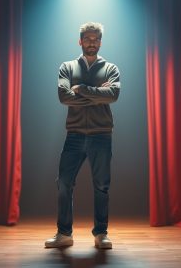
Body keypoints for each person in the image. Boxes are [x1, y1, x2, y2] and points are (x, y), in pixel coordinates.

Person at [45, 22, 120, 249]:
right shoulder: (67, 67)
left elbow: (113, 95)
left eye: (95, 39)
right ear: (80, 41)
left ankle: (101, 234)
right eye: (87, 39)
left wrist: (80, 89)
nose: (91, 43)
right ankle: (64, 234)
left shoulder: (111, 68)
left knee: (101, 186)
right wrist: (98, 93)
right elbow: (63, 97)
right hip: (75, 134)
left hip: (101, 134)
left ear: (100, 42)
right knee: (64, 183)